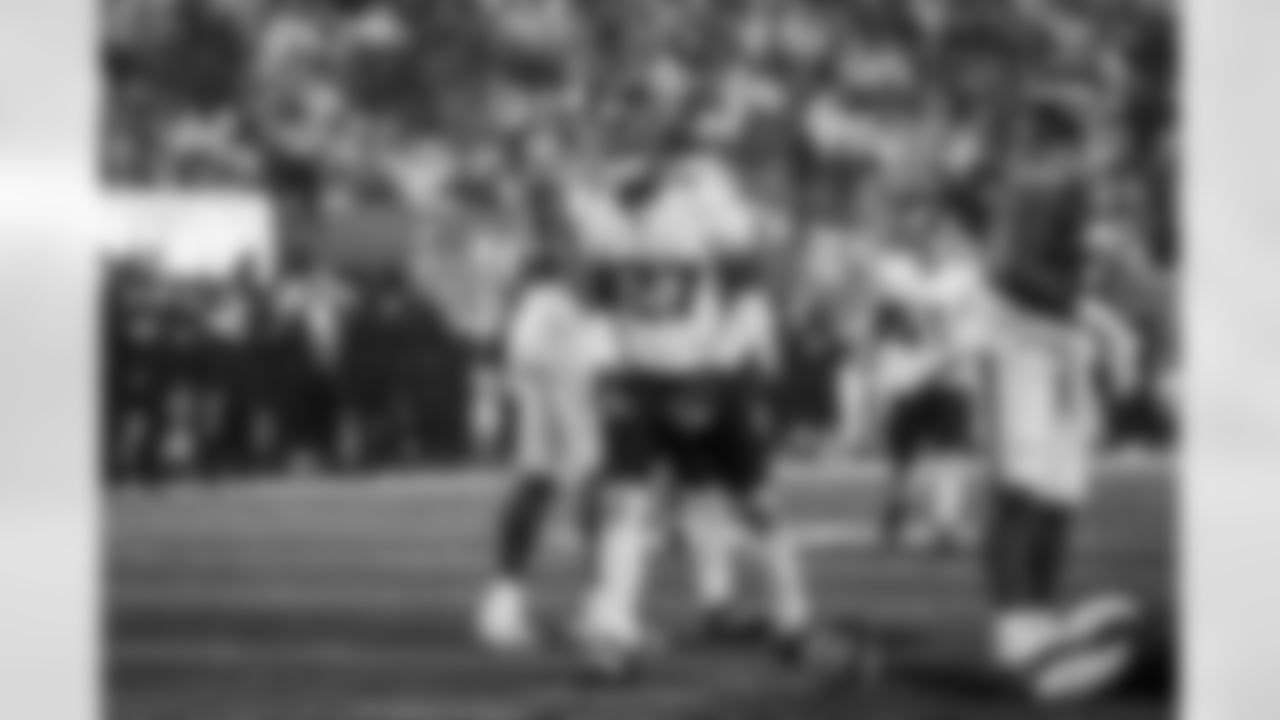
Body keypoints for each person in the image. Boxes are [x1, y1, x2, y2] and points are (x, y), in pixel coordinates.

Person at [977, 95, 1141, 696]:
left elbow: (1069, 272)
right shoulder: (1040, 179)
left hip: (1062, 345)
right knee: (1019, 490)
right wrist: (1096, 320)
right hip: (1021, 343)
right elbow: (1006, 271)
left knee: (1060, 492)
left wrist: (1102, 322)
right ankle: (1014, 636)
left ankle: (1039, 623)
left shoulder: (1082, 187)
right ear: (1072, 135)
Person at [476, 252, 618, 652]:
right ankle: (507, 606)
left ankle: (600, 606)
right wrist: (558, 415)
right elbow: (528, 357)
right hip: (554, 404)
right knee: (550, 492)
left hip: (574, 403)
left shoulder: (586, 308)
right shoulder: (547, 303)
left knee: (593, 499)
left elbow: (601, 363)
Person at [870, 197, 987, 551]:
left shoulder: (964, 275)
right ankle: (897, 506)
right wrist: (894, 371)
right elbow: (888, 326)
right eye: (914, 231)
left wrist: (951, 356)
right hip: (909, 372)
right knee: (903, 453)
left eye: (929, 232)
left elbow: (974, 328)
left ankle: (945, 521)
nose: (923, 239)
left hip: (950, 373)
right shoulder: (893, 271)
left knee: (951, 449)